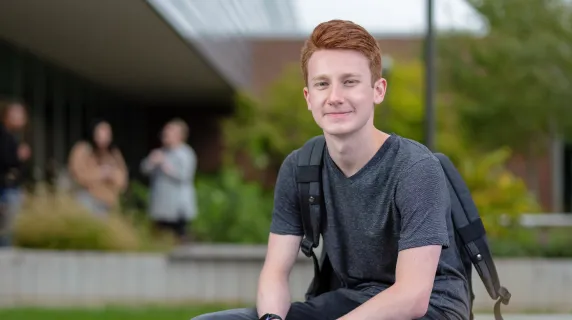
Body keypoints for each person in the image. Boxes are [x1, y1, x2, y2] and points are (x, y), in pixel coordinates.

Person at [192, 20, 470, 320]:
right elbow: (274, 272)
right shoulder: (300, 167)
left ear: (378, 90)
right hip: (352, 301)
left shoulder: (415, 167)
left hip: (431, 309)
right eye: (322, 83)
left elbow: (412, 297)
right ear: (309, 97)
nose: (334, 96)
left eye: (349, 82)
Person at [141, 118, 198, 243]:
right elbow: (144, 169)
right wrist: (152, 161)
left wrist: (165, 164)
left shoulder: (185, 153)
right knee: (159, 237)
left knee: (179, 237)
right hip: (161, 204)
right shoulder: (160, 152)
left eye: (169, 132)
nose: (164, 135)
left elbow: (185, 176)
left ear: (179, 136)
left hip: (178, 206)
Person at [68, 119, 128, 216]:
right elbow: (77, 174)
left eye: (107, 133)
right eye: (101, 132)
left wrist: (111, 174)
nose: (104, 136)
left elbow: (123, 180)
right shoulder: (83, 149)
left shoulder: (114, 153)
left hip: (109, 202)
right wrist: (101, 173)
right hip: (88, 199)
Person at [0, 99, 30, 247]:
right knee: (7, 230)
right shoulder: (4, 135)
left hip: (12, 188)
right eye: (16, 114)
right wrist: (18, 156)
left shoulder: (15, 136)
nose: (20, 118)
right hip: (6, 189)